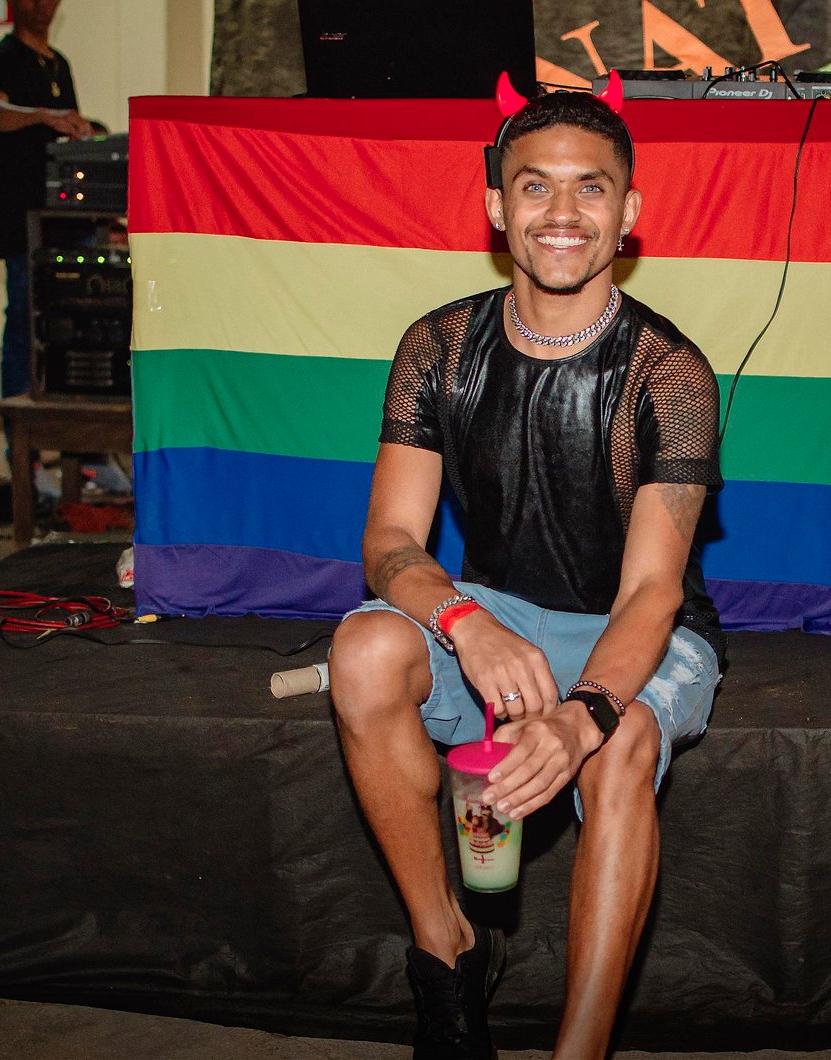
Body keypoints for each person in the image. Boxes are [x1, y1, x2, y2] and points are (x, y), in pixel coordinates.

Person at [328, 86, 726, 1060]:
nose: (562, 212)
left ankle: (578, 1051)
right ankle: (446, 953)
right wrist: (466, 623)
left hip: (635, 627)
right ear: (496, 208)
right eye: (535, 185)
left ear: (628, 211)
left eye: (591, 188)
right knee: (364, 650)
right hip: (495, 609)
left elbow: (653, 591)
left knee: (624, 741)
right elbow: (389, 541)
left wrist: (583, 714)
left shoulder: (671, 372)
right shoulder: (437, 345)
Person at [0, 0, 91, 401]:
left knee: (78, 328)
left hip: (70, 220)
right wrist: (41, 114)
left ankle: (75, 432)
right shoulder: (2, 58)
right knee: (26, 327)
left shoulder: (60, 64)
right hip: (24, 222)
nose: (42, 6)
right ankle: (20, 432)